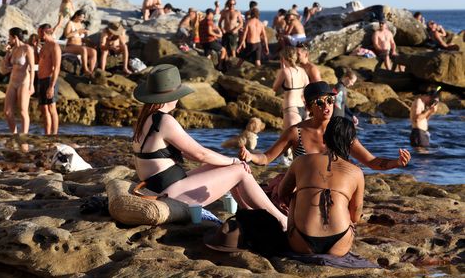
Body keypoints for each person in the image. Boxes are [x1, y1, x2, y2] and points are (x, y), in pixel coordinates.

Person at [132, 64, 288, 229]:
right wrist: (233, 161)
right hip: (169, 195)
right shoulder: (165, 121)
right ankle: (281, 221)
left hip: (158, 187)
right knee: (240, 171)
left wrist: (227, 162)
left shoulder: (146, 119)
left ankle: (249, 213)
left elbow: (192, 154)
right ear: (171, 95)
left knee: (223, 167)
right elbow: (200, 154)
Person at [239, 82, 411, 211]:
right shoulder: (295, 132)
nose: (327, 106)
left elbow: (372, 161)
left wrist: (397, 163)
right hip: (302, 190)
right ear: (308, 107)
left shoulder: (341, 132)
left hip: (333, 190)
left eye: (329, 100)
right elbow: (267, 157)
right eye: (319, 103)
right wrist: (250, 156)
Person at [278, 116, 364, 256]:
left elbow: (282, 193)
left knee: (295, 196)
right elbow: (355, 217)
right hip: (339, 242)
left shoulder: (301, 161)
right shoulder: (356, 172)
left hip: (301, 241)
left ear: (324, 139)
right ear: (350, 144)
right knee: (347, 207)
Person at [2, 28, 35, 134]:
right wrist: (7, 53)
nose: (8, 39)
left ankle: (24, 136)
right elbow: (3, 69)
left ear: (14, 37)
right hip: (13, 81)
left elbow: (32, 67)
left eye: (9, 37)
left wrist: (31, 85)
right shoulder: (13, 49)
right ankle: (14, 134)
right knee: (7, 112)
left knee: (23, 111)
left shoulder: (27, 48)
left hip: (24, 82)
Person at [272, 46, 309, 129]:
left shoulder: (285, 71)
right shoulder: (302, 71)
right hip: (302, 108)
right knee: (301, 139)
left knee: (289, 139)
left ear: (283, 58)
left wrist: (282, 68)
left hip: (291, 108)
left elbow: (274, 88)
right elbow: (308, 88)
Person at [37, 24, 61, 135]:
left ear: (44, 33)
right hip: (41, 79)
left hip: (50, 79)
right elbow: (39, 61)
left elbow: (56, 68)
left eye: (39, 33)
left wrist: (51, 86)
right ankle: (47, 134)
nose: (38, 35)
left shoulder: (54, 47)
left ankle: (54, 134)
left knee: (52, 107)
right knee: (44, 109)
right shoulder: (44, 45)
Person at [63, 10, 97, 75]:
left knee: (93, 51)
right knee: (83, 49)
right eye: (81, 17)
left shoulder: (80, 24)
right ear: (76, 15)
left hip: (79, 46)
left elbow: (80, 38)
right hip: (70, 46)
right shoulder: (70, 23)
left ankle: (91, 71)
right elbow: (66, 35)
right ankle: (85, 69)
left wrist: (87, 39)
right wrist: (78, 31)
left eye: (83, 17)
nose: (82, 19)